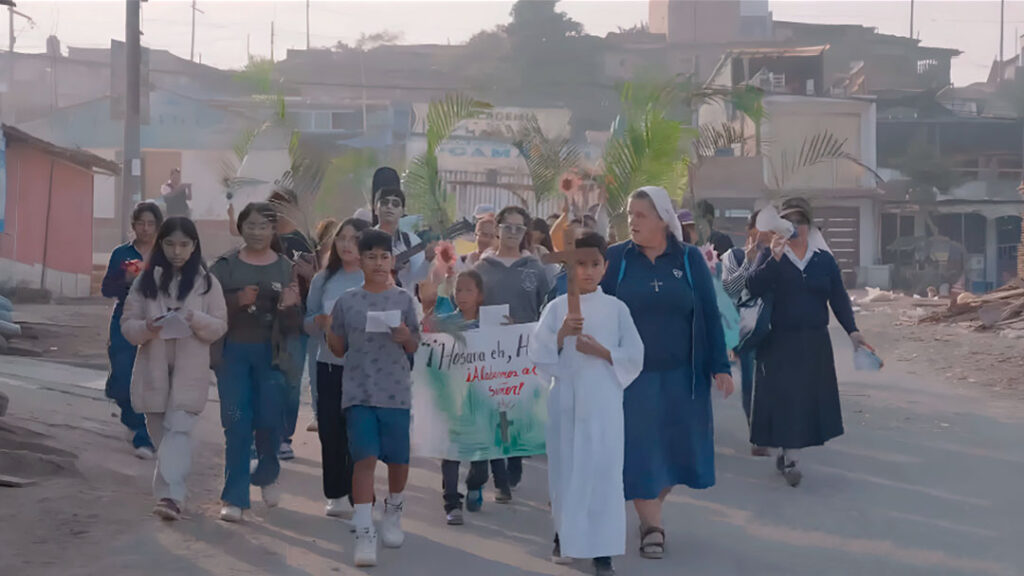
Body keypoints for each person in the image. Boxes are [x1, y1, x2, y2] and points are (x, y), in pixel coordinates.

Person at [600, 186, 734, 560]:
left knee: (677, 454)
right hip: (632, 379)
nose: (632, 222)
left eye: (640, 216)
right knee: (640, 451)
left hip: (683, 377)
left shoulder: (689, 260)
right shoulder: (616, 259)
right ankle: (653, 525)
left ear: (662, 219)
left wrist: (720, 367)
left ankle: (650, 510)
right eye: (629, 215)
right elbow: (593, 301)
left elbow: (708, 314)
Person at [531, 232, 644, 576]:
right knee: (566, 471)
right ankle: (564, 536)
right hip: (565, 400)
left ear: (605, 267)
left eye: (595, 264)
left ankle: (603, 550)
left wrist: (604, 353)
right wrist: (563, 334)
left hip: (604, 404)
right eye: (581, 264)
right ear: (570, 267)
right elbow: (538, 353)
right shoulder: (555, 308)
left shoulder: (617, 309)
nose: (588, 271)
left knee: (603, 473)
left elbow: (636, 356)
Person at [745, 197, 873, 487]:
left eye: (801, 221)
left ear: (810, 225)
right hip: (778, 341)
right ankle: (788, 454)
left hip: (814, 341)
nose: (796, 227)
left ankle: (791, 454)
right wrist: (774, 258)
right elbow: (753, 287)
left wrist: (853, 331)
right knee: (785, 400)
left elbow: (838, 298)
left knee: (803, 402)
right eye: (790, 221)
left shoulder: (822, 259)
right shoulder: (771, 255)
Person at [120, 217, 228, 521]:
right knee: (163, 438)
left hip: (189, 373)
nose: (177, 251)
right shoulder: (145, 281)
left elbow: (220, 326)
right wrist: (148, 327)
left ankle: (170, 498)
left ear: (194, 246)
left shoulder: (207, 283)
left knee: (178, 431)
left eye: (183, 244)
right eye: (170, 244)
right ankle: (171, 492)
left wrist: (194, 318)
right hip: (153, 372)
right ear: (161, 244)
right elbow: (127, 326)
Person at [327, 229, 421, 568]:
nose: (378, 263)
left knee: (398, 460)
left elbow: (414, 346)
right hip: (359, 393)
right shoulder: (347, 301)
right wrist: (328, 331)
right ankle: (364, 529)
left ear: (392, 261)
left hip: (395, 393)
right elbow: (337, 348)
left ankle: (393, 508)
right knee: (363, 459)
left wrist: (406, 336)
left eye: (384, 257)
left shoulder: (404, 300)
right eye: (371, 257)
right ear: (360, 260)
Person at [210, 202, 304, 523]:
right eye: (250, 225)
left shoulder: (284, 267)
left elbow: (295, 326)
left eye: (264, 226)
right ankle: (234, 497)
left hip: (272, 356)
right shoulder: (224, 267)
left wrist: (291, 307)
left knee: (268, 421)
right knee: (236, 423)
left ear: (273, 229)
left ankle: (267, 473)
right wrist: (236, 301)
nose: (256, 231)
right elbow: (206, 308)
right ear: (240, 227)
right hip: (233, 354)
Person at [474, 205, 552, 501]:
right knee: (493, 411)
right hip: (489, 352)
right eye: (507, 227)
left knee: (515, 412)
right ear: (497, 229)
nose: (511, 233)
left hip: (524, 352)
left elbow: (547, 308)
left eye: (518, 229)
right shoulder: (481, 267)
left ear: (525, 233)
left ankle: (514, 461)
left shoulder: (534, 269)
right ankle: (498, 475)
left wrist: (526, 327)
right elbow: (468, 303)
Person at [305, 217, 370, 518]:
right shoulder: (323, 279)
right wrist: (318, 322)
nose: (347, 244)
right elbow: (306, 323)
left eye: (354, 238)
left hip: (365, 369)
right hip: (328, 365)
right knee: (330, 431)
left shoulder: (375, 277)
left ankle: (360, 492)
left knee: (358, 433)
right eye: (342, 237)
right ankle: (335, 493)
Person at [430, 269, 494, 526]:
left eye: (468, 290)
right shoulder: (444, 322)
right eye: (458, 290)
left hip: (481, 396)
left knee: (481, 453)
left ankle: (475, 484)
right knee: (451, 450)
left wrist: (509, 330)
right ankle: (452, 502)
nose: (462, 295)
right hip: (452, 396)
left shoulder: (491, 324)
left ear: (480, 295)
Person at [101, 202, 163, 459]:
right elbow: (106, 289)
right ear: (133, 225)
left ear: (158, 227)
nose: (145, 229)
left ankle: (142, 435)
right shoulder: (121, 253)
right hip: (124, 319)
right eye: (141, 223)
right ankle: (122, 400)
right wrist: (124, 280)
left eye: (151, 224)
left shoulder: (166, 254)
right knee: (123, 378)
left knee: (150, 381)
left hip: (156, 322)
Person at [721, 210, 773, 457]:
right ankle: (758, 434)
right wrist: (748, 263)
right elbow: (730, 290)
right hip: (749, 328)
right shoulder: (734, 255)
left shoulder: (781, 255)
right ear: (750, 230)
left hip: (777, 328)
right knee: (752, 382)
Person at [304, 217, 340, 434]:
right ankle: (318, 412)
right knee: (315, 371)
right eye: (335, 236)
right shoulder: (316, 263)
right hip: (319, 335)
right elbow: (310, 315)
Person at [374, 186, 434, 288]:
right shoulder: (363, 240)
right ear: (375, 208)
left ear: (402, 211)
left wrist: (427, 260)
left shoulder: (412, 241)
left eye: (395, 204)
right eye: (385, 202)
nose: (389, 206)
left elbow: (418, 279)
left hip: (404, 300)